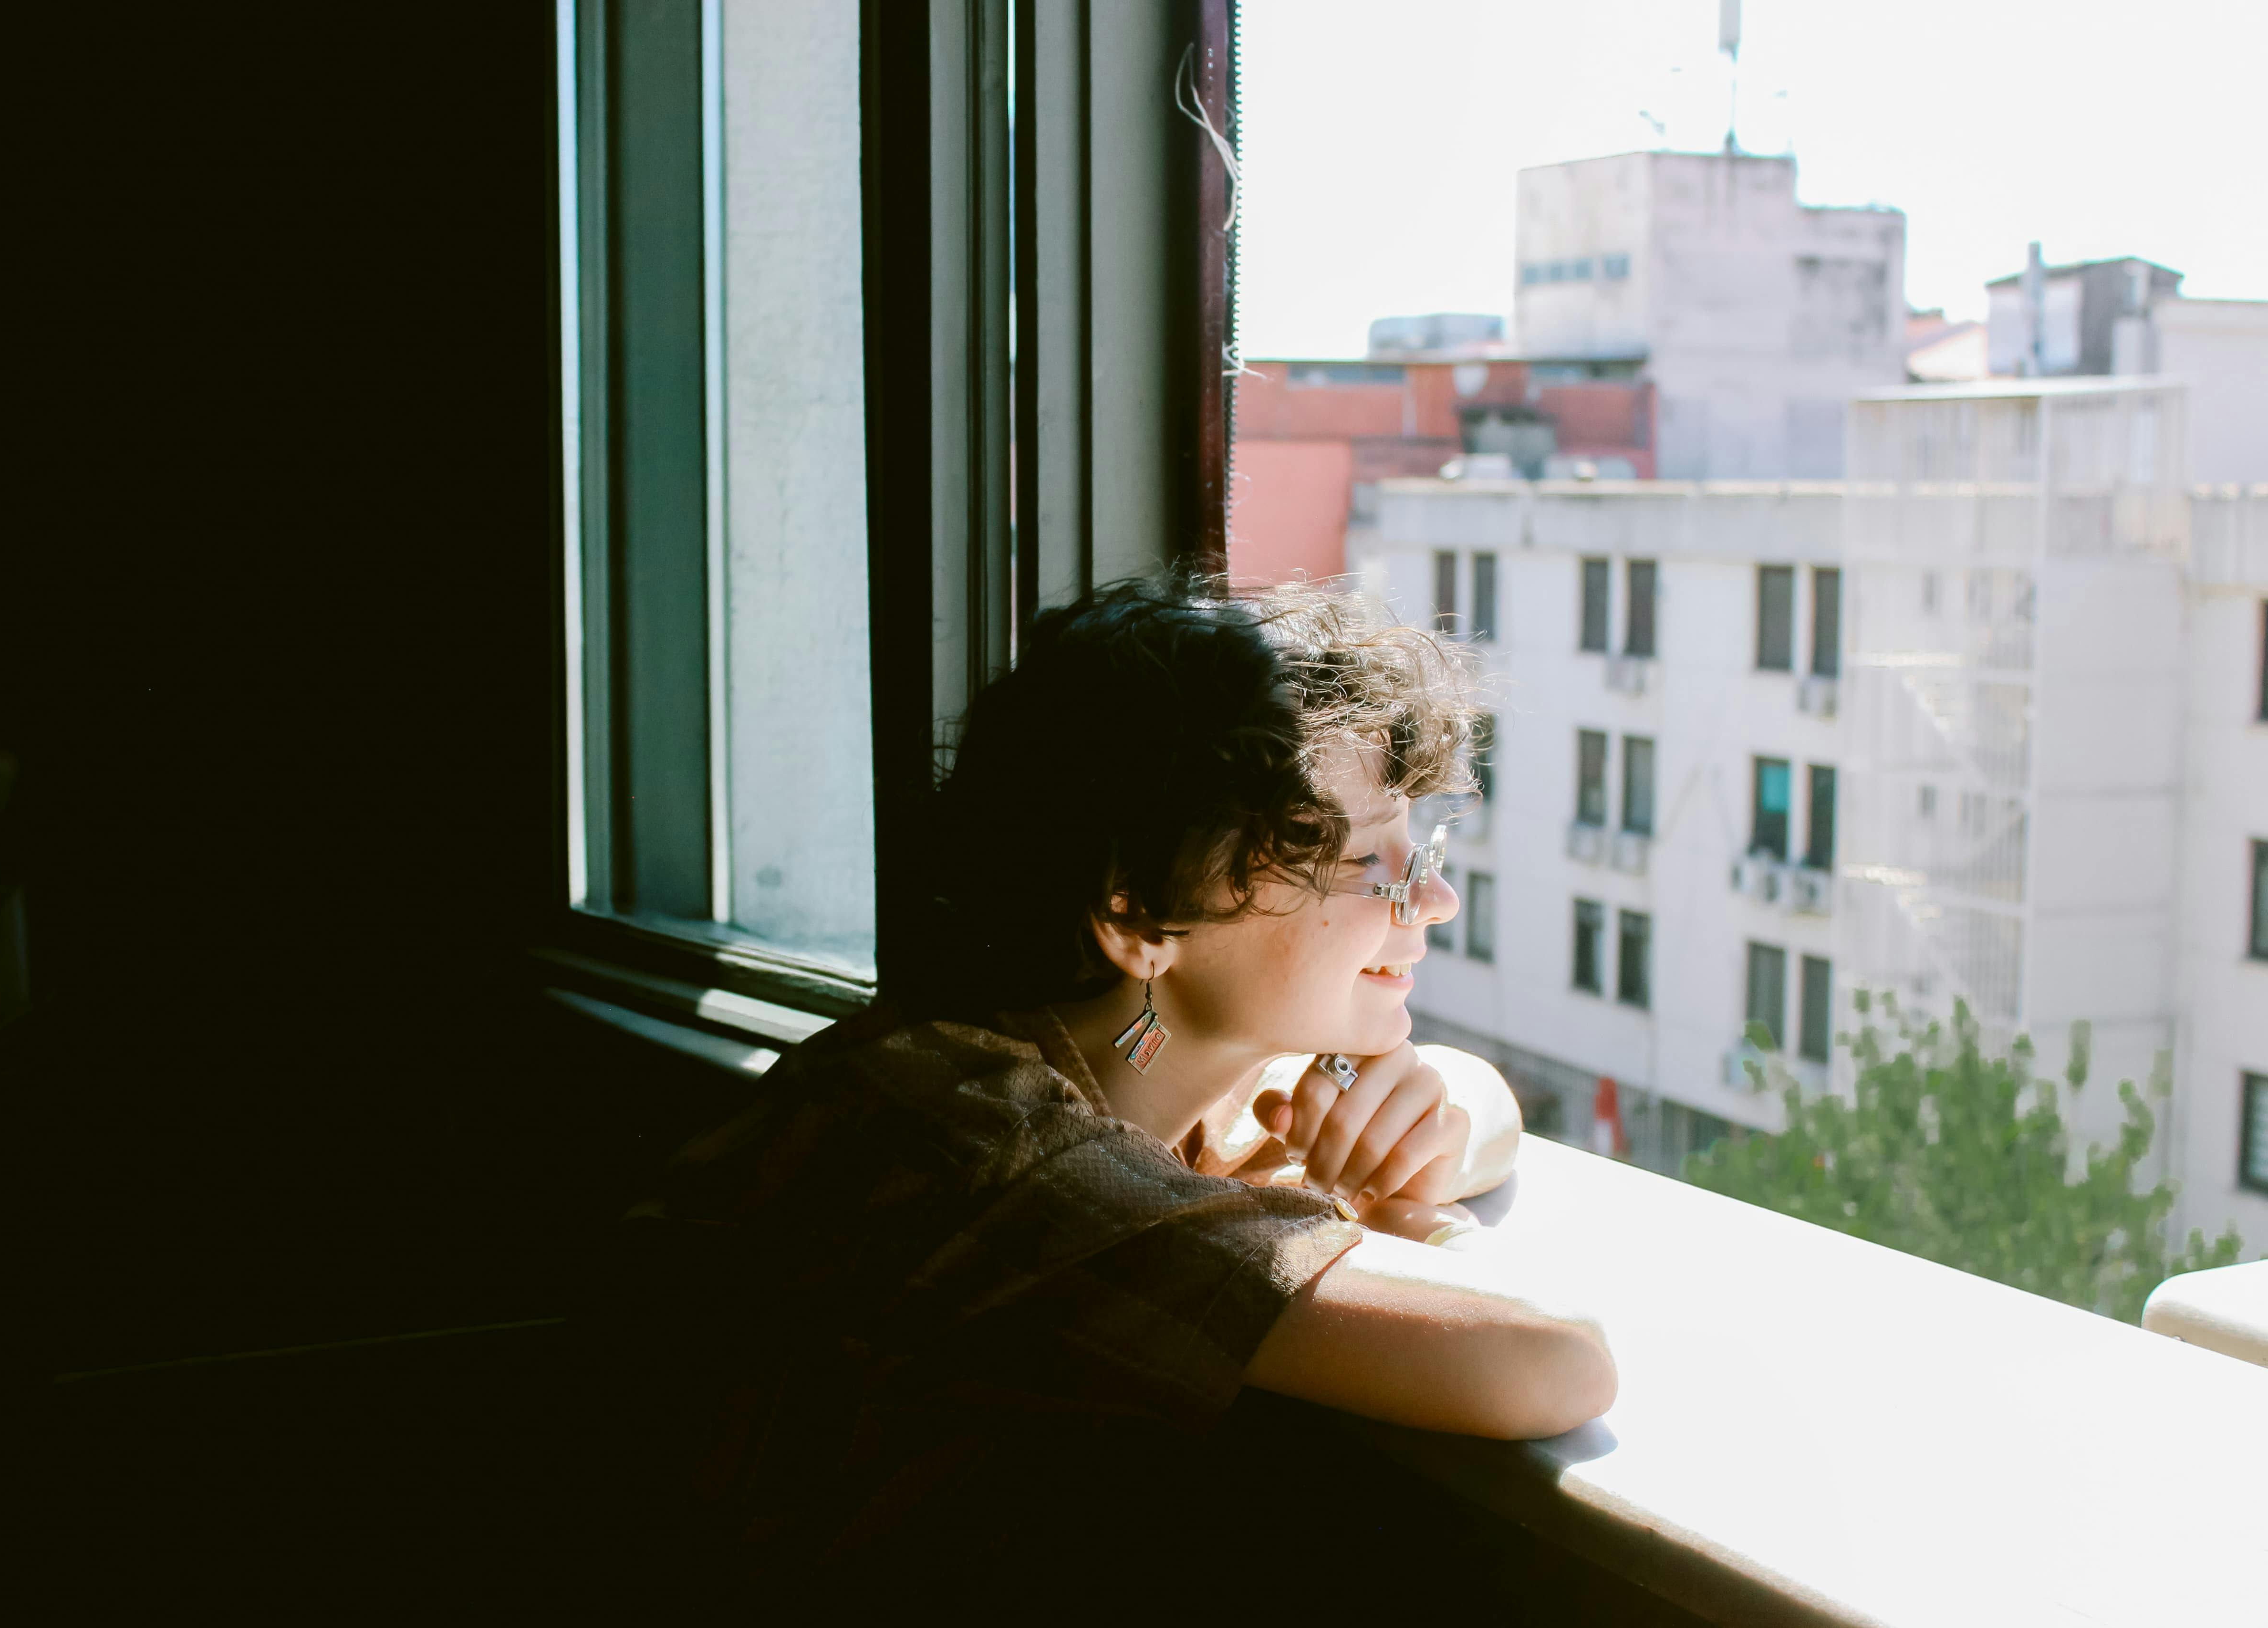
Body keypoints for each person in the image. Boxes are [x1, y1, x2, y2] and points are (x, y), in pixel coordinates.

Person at [633, 576, 1614, 1583]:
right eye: (1369, 860)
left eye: (1423, 849)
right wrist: (1418, 1225)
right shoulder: (979, 1154)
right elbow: (1551, 1364)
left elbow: (1478, 1111)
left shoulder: (1121, 1079)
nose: (1435, 900)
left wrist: (1436, 1114)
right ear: (1142, 915)